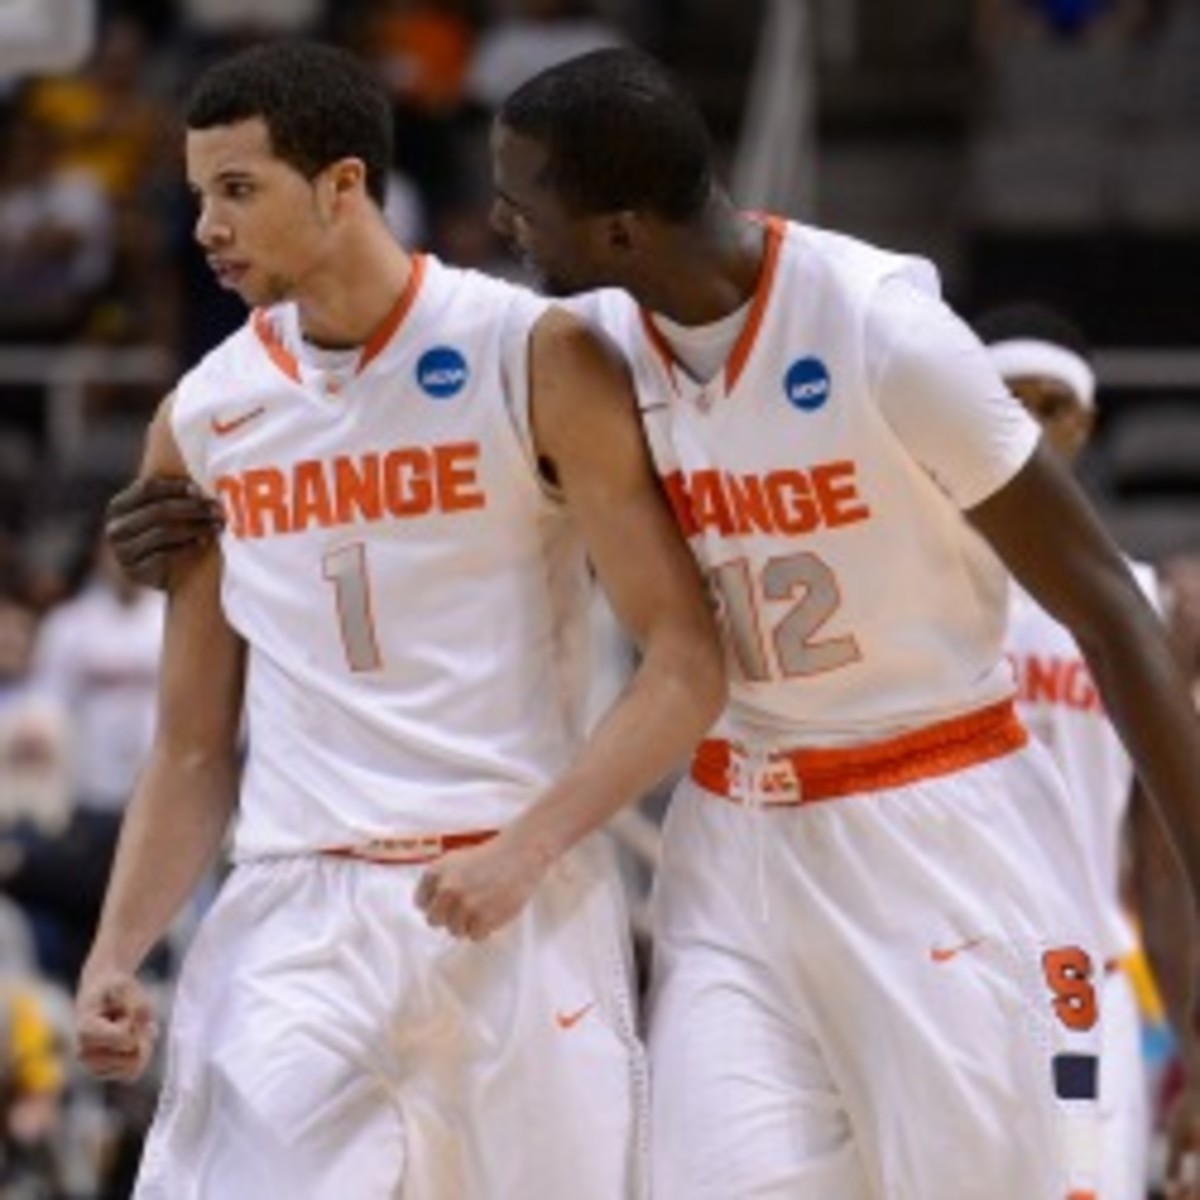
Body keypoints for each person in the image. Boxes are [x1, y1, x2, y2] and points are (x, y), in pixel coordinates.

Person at [104, 45, 1200, 1200]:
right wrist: (157, 523)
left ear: (618, 228)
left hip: (930, 807)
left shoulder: (883, 333)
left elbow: (1108, 613)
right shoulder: (598, 346)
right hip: (737, 829)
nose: (501, 225)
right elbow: (378, 464)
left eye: (524, 203)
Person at [73, 41, 724, 1200]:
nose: (207, 230)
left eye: (238, 191)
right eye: (196, 198)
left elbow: (684, 662)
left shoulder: (532, 354)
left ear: (342, 185)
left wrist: (528, 847)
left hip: (514, 886)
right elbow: (188, 741)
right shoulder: (205, 415)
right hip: (297, 906)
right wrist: (119, 948)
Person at [978, 300, 1200, 1198]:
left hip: (1084, 983)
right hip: (937, 966)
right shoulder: (905, 589)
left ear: (1086, 424)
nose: (1026, 428)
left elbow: (1161, 857)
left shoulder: (1154, 610)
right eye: (1003, 401)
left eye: (1047, 405)